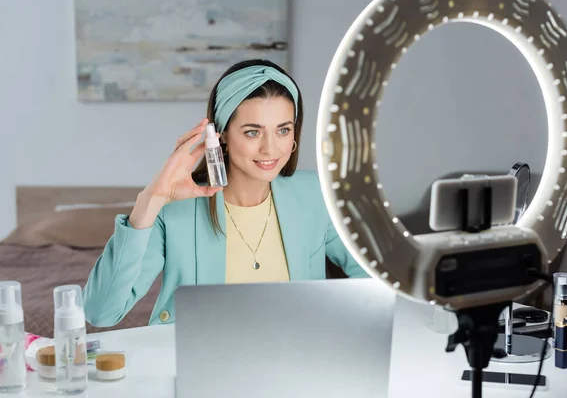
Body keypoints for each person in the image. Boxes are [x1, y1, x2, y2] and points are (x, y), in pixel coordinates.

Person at [82, 59, 369, 328]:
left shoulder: (313, 194)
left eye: (283, 130)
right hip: (200, 367)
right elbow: (101, 312)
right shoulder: (175, 210)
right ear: (222, 136)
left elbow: (372, 278)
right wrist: (150, 200)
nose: (271, 149)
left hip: (297, 364)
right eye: (252, 132)